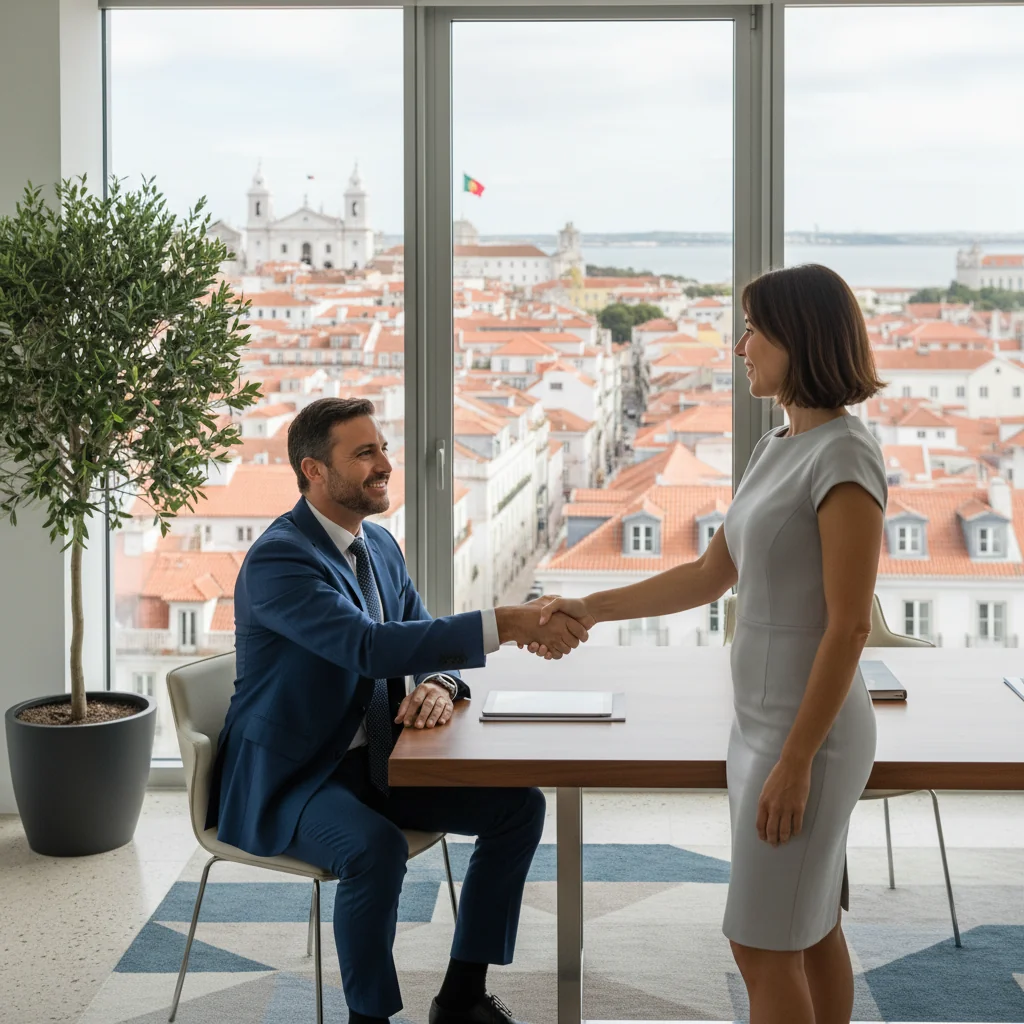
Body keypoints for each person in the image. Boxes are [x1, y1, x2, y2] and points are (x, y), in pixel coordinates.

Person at [535, 264, 888, 1024]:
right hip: (760, 725)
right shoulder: (776, 446)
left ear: (800, 339)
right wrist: (590, 608)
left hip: (810, 736)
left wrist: (797, 761)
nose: (739, 347)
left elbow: (850, 625)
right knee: (807, 927)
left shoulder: (844, 457)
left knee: (761, 946)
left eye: (753, 330)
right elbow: (707, 575)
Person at [207, 396, 590, 1024]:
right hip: (296, 776)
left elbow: (422, 634)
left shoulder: (380, 545)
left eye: (382, 448)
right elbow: (368, 646)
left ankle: (461, 999)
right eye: (364, 453)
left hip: (379, 764)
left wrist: (439, 682)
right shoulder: (280, 559)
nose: (385, 464)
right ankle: (369, 1018)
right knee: (375, 849)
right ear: (313, 470)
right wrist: (506, 623)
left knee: (518, 808)